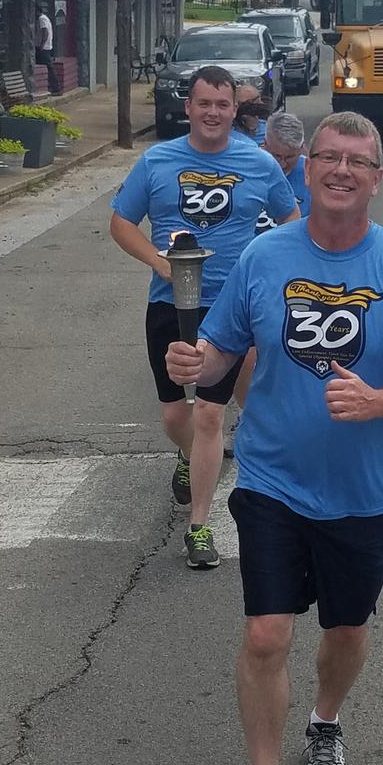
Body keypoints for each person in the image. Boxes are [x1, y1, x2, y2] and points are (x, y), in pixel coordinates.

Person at [165, 111, 383, 765]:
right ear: (306, 170)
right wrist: (192, 363)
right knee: (267, 633)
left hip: (365, 493)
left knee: (345, 630)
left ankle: (325, 721)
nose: (340, 169)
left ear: (376, 177)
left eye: (357, 160)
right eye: (327, 156)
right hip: (271, 479)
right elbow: (221, 354)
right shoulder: (265, 257)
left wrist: (380, 402)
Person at [110, 65, 299, 569]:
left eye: (222, 105)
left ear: (234, 111)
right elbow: (120, 221)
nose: (213, 113)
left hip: (231, 310)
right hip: (168, 305)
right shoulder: (157, 161)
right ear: (188, 107)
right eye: (204, 104)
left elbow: (292, 221)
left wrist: (265, 272)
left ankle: (199, 526)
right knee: (176, 414)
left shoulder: (259, 163)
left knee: (212, 414)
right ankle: (188, 455)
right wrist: (158, 263)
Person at [229, 111, 313, 436]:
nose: (282, 163)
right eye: (275, 154)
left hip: (298, 281)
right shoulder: (248, 167)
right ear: (263, 143)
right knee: (247, 356)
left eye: (289, 157)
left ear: (302, 149)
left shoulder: (313, 175)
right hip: (249, 278)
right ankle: (250, 419)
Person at [36, 4, 60, 96]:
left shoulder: (42, 19)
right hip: (46, 46)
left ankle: (56, 87)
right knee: (48, 67)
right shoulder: (45, 18)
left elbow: (45, 32)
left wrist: (42, 45)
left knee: (49, 67)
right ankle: (52, 86)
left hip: (44, 47)